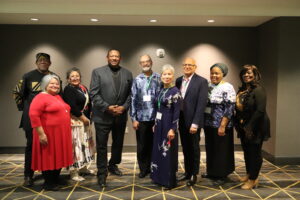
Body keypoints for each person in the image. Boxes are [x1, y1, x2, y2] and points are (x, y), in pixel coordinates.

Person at [12, 52, 57, 186]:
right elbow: (16, 93)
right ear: (36, 62)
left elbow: (57, 96)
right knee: (31, 146)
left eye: (45, 60)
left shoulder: (54, 77)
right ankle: (28, 175)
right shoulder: (28, 76)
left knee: (47, 147)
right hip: (32, 119)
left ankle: (46, 173)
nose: (43, 62)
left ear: (50, 63)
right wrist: (24, 109)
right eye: (40, 60)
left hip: (49, 120)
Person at [90, 49, 133, 187]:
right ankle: (102, 173)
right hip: (102, 116)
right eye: (112, 56)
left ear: (120, 58)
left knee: (118, 144)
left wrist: (123, 107)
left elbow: (131, 95)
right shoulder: (97, 72)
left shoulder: (127, 73)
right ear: (107, 57)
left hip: (120, 116)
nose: (114, 58)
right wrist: (108, 107)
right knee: (101, 146)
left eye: (117, 56)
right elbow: (94, 94)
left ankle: (113, 165)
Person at [29, 74, 73, 190]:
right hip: (48, 133)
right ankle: (48, 183)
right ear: (45, 85)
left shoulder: (57, 96)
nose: (55, 85)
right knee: (48, 157)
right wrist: (41, 134)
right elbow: (33, 116)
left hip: (59, 134)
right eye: (52, 83)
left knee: (57, 156)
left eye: (57, 83)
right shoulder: (40, 97)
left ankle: (55, 178)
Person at [235, 64, 270, 190]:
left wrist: (249, 126)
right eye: (244, 73)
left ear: (255, 75)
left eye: (249, 73)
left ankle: (253, 179)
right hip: (244, 126)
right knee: (247, 152)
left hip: (256, 126)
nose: (246, 75)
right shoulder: (243, 89)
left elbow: (260, 111)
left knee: (255, 153)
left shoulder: (259, 90)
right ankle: (249, 174)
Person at [175, 58, 208, 186]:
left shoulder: (201, 81)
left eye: (190, 65)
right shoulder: (178, 80)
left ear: (195, 67)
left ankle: (194, 174)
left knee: (194, 148)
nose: (187, 67)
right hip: (181, 119)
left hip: (193, 120)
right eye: (185, 65)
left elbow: (201, 104)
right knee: (185, 147)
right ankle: (187, 172)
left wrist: (195, 123)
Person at [203, 63, 236, 185]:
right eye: (212, 73)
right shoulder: (208, 85)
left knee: (221, 150)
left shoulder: (228, 87)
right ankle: (211, 171)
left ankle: (222, 174)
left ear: (223, 74)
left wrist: (223, 125)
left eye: (217, 73)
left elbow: (230, 108)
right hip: (209, 124)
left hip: (221, 125)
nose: (214, 75)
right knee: (210, 148)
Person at [151, 64, 181, 190]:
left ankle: (169, 181)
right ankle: (158, 178)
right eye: (164, 74)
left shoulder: (176, 92)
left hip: (169, 124)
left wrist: (172, 129)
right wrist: (154, 123)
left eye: (169, 74)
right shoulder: (160, 90)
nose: (166, 76)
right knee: (158, 151)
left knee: (167, 153)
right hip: (159, 124)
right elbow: (157, 108)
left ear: (173, 76)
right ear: (161, 76)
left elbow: (177, 112)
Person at [130, 55, 161, 178]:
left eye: (147, 61)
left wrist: (160, 119)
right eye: (142, 62)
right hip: (141, 118)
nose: (145, 64)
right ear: (140, 64)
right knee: (142, 146)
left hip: (155, 118)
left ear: (151, 62)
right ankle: (143, 169)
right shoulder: (137, 79)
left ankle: (154, 167)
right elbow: (132, 99)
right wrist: (134, 118)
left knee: (155, 145)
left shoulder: (159, 78)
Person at [63, 67, 95, 181]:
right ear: (68, 79)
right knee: (75, 146)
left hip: (85, 121)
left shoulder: (83, 88)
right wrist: (83, 118)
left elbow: (89, 103)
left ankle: (83, 168)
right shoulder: (68, 90)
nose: (75, 78)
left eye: (77, 76)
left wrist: (89, 118)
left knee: (85, 145)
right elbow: (72, 106)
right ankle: (74, 172)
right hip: (75, 123)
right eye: (72, 76)